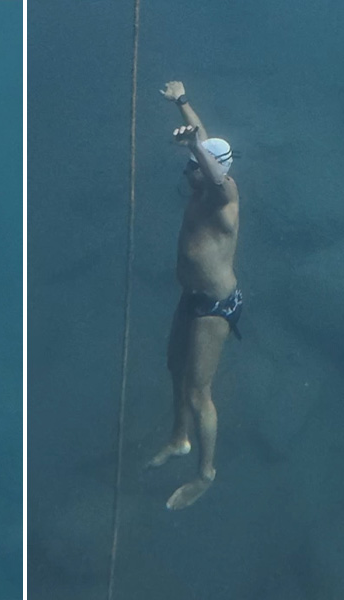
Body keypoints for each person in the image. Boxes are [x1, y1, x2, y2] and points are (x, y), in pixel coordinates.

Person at [147, 81, 242, 510]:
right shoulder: (203, 186)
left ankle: (206, 473)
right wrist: (182, 103)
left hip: (213, 307)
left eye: (193, 167)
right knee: (174, 366)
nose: (186, 173)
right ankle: (178, 438)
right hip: (191, 296)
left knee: (198, 392)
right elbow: (201, 139)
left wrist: (199, 155)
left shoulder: (224, 197)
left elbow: (216, 174)